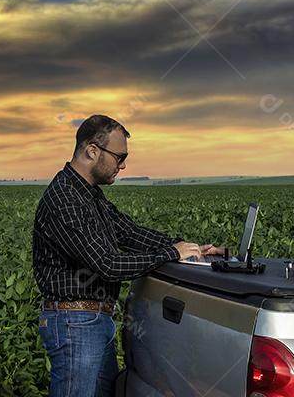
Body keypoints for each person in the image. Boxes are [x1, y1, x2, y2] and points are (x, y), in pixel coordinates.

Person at [31, 115, 225, 397]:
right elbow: (108, 264)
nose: (123, 165)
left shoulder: (88, 194)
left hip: (93, 321)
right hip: (75, 323)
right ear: (92, 150)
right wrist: (170, 253)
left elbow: (130, 233)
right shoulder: (65, 199)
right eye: (119, 157)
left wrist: (188, 247)